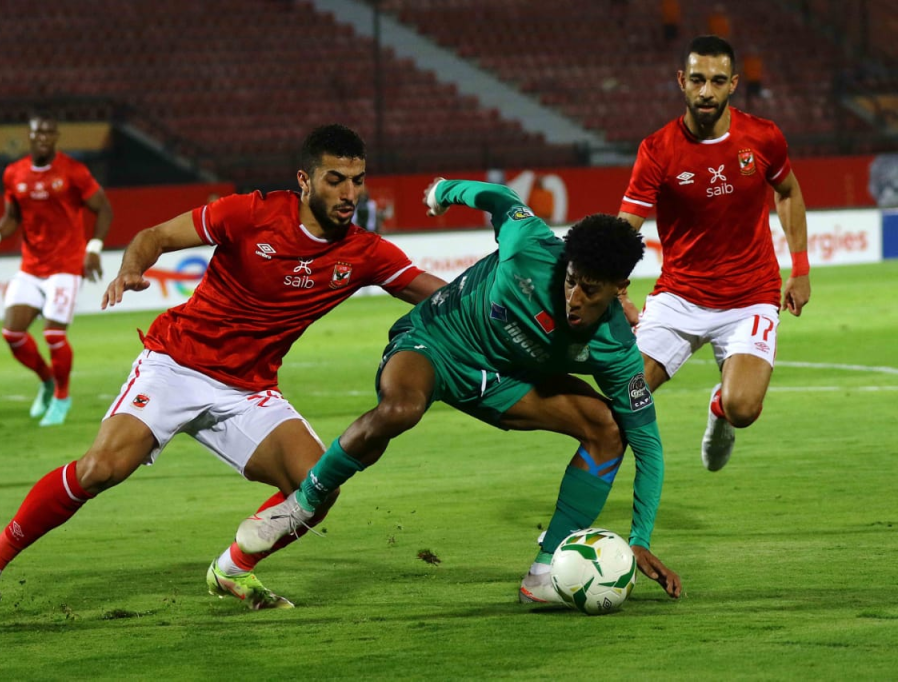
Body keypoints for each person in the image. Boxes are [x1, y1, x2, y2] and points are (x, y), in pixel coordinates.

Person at [0, 124, 446, 625]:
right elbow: (155, 236)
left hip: (249, 391)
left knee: (317, 486)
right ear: (305, 180)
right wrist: (132, 267)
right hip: (177, 364)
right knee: (100, 468)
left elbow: (440, 293)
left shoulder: (364, 253)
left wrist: (497, 298)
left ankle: (233, 570)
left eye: (357, 180)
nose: (349, 192)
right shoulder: (251, 213)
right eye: (336, 179)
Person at [236, 178, 683, 604]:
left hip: (502, 382)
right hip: (436, 340)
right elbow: (501, 197)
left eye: (590, 290)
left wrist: (640, 539)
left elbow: (650, 446)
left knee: (607, 429)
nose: (573, 298)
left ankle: (544, 573)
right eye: (570, 281)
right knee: (402, 407)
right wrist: (443, 191)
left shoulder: (615, 351)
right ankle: (301, 503)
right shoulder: (528, 245)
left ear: (620, 288)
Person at [616, 35, 810, 472]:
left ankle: (721, 411)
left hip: (751, 297)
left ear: (733, 84)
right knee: (623, 399)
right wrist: (616, 290)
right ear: (682, 81)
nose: (707, 91)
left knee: (743, 407)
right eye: (698, 80)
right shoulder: (658, 150)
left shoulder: (763, 137)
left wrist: (800, 268)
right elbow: (626, 225)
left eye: (717, 81)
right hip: (679, 297)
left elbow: (788, 191)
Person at [0, 111, 113, 426]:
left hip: (65, 265)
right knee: (12, 333)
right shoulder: (14, 174)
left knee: (53, 335)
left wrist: (93, 248)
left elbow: (103, 208)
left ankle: (62, 397)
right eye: (38, 133)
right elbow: (12, 216)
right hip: (32, 266)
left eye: (50, 133)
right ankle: (47, 380)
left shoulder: (73, 172)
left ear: (56, 137)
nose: (44, 138)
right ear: (30, 136)